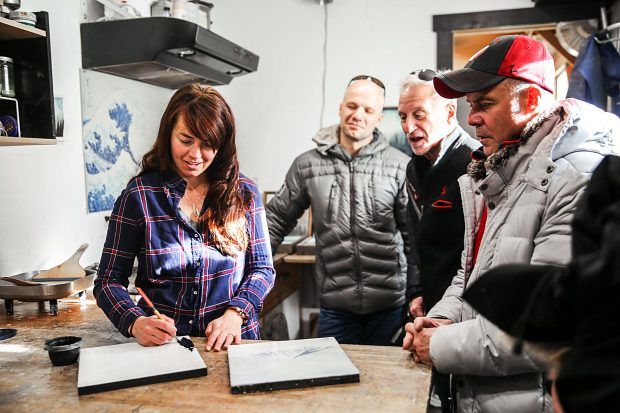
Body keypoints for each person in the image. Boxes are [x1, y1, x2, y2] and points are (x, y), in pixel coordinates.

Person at [403, 34, 620, 413]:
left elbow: (550, 328)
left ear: (531, 100)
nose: (472, 118)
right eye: (471, 105)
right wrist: (439, 319)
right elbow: (471, 274)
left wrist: (439, 345)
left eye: (485, 104)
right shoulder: (498, 172)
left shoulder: (576, 178)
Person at [94, 84, 275, 352]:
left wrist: (236, 313)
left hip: (234, 345)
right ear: (168, 134)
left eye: (208, 144)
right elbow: (108, 281)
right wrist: (134, 322)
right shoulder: (139, 196)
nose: (195, 155)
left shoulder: (244, 193)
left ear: (222, 145)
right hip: (167, 349)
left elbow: (262, 270)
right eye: (186, 140)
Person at [463, 155, 620, 413]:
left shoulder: (572, 178)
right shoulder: (493, 180)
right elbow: (468, 267)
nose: (474, 124)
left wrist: (435, 343)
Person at [267, 75, 410, 345]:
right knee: (334, 372)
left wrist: (418, 294)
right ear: (341, 108)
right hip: (335, 308)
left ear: (378, 118)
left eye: (368, 110)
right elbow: (274, 221)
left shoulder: (400, 166)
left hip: (390, 307)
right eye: (352, 106)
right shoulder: (307, 165)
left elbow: (414, 238)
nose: (358, 115)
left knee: (389, 372)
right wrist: (252, 272)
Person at [399, 68, 480, 412]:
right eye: (403, 117)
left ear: (449, 113)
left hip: (467, 307)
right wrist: (416, 290)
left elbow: (479, 248)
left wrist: (454, 310)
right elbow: (414, 236)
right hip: (431, 303)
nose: (408, 127)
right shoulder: (414, 168)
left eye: (419, 115)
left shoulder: (475, 162)